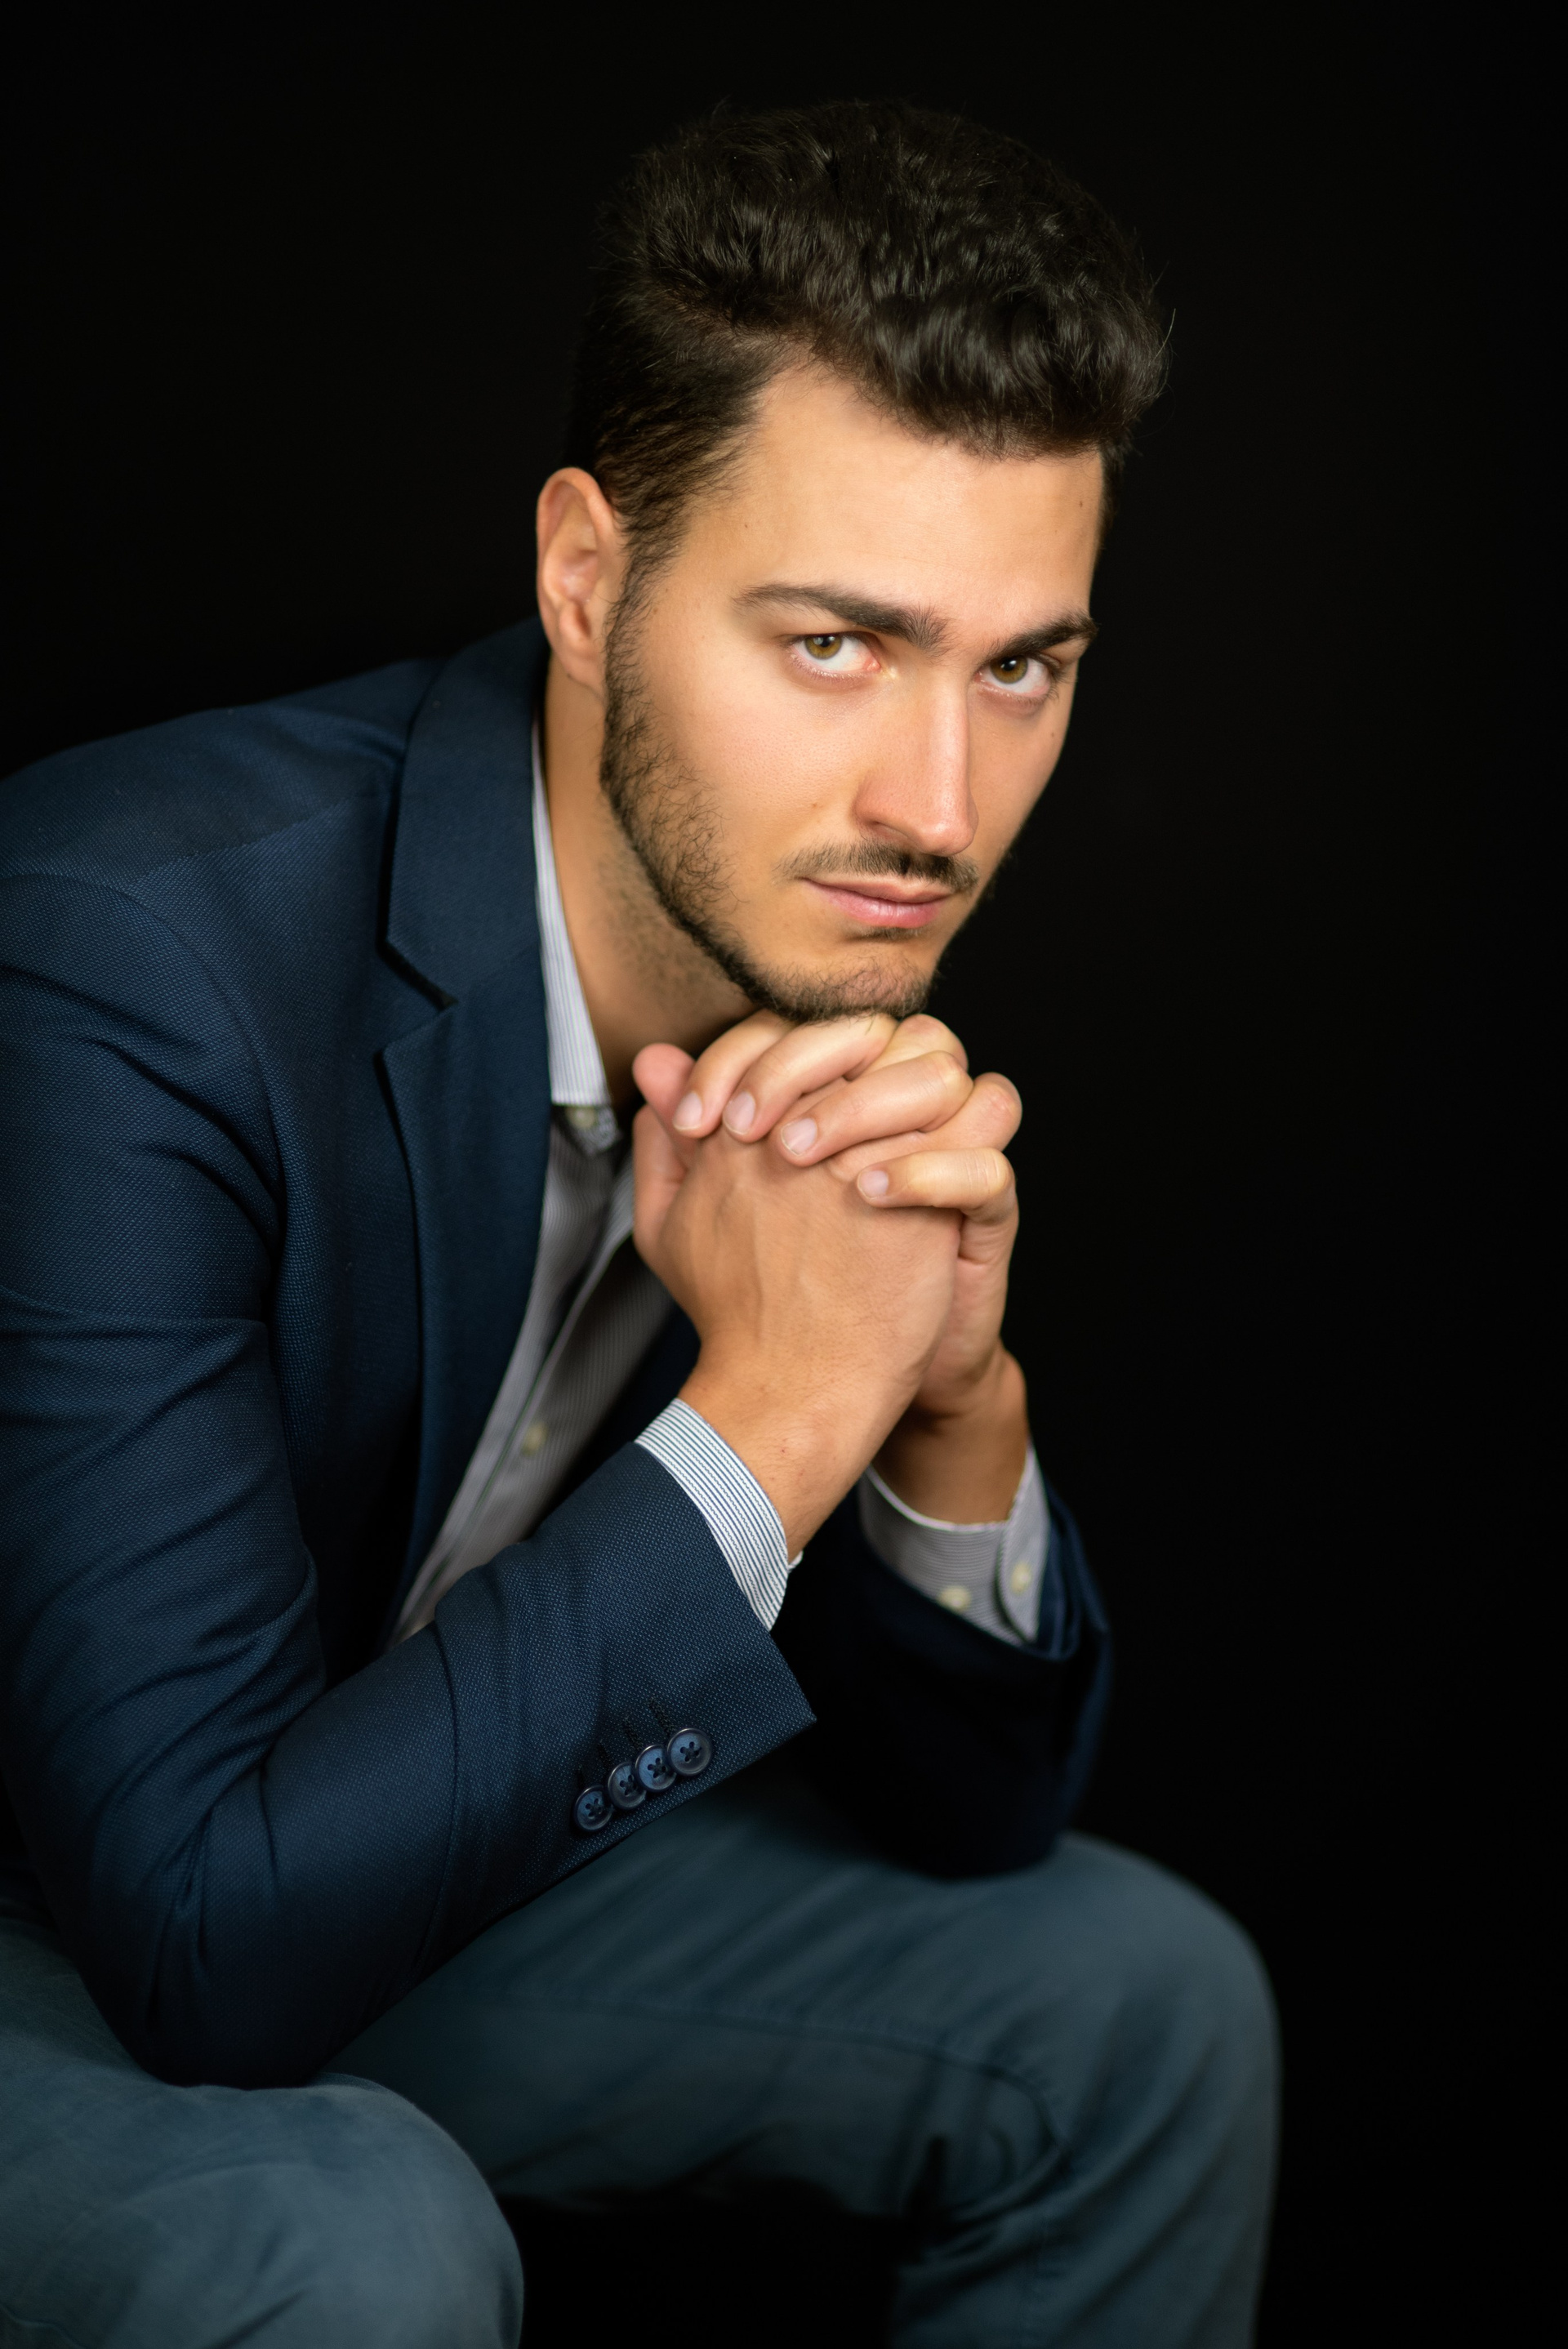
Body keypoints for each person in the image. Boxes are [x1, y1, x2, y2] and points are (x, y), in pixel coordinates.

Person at [0, 100, 1277, 2347]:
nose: (937, 807)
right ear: (587, 580)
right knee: (350, 2233)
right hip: (84, 1906)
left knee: (1141, 2001)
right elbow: (197, 1939)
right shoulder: (119, 953)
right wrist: (775, 1411)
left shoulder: (807, 1005)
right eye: (836, 644)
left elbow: (977, 1828)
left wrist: (939, 1408)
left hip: (362, 1858)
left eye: (1021, 667)